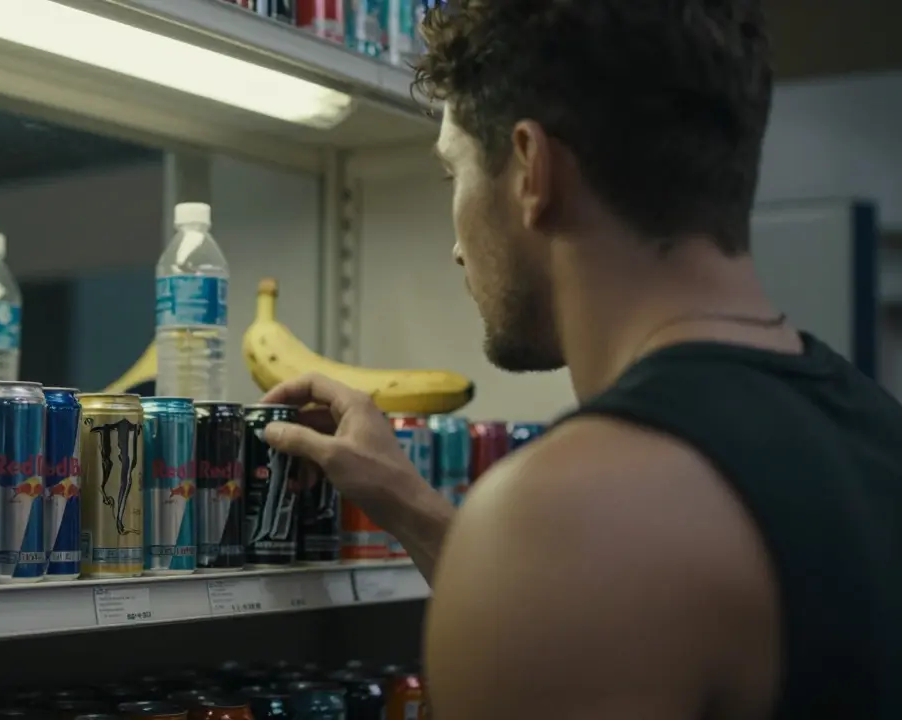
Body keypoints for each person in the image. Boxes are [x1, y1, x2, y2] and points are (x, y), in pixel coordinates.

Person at [262, 2, 901, 719]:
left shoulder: (564, 525)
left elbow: (572, 584)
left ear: (532, 171)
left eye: (454, 176)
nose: (455, 246)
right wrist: (410, 503)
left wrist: (508, 546)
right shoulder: (878, 432)